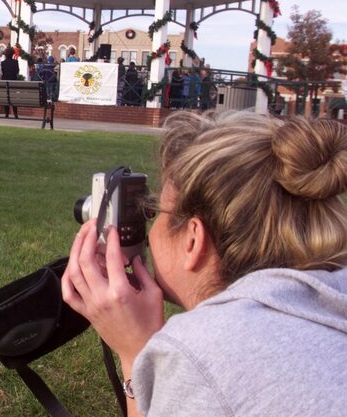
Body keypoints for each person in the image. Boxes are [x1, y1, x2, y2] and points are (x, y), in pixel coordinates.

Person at [61, 111, 347, 417]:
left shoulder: (202, 354)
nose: (150, 231)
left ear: (193, 240)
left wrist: (135, 351)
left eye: (156, 212)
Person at [0, 47, 19, 118]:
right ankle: (15, 114)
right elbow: (17, 71)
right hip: (13, 83)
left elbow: (1, 73)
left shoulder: (2, 63)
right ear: (12, 54)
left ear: (5, 55)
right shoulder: (15, 62)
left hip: (5, 83)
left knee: (6, 98)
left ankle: (7, 113)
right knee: (13, 98)